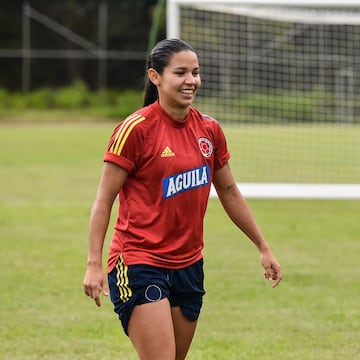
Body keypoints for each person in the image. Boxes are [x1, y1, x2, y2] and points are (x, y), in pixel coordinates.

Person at [82, 38, 282, 360]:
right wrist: (93, 264)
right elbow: (104, 199)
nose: (191, 81)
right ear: (155, 76)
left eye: (196, 72)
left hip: (189, 265)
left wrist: (263, 247)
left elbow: (229, 192)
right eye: (181, 73)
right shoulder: (135, 129)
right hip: (138, 260)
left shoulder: (210, 130)